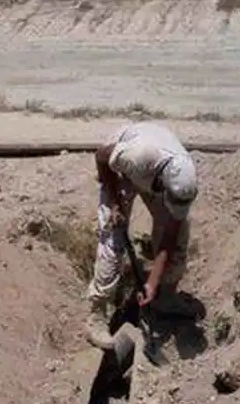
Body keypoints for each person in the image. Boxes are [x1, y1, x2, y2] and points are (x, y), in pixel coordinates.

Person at [84, 121, 199, 349]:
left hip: (155, 176)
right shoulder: (136, 157)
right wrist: (115, 202)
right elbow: (101, 157)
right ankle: (97, 313)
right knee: (113, 239)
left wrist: (152, 283)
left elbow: (169, 236)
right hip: (118, 170)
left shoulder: (184, 183)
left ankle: (165, 298)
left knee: (179, 238)